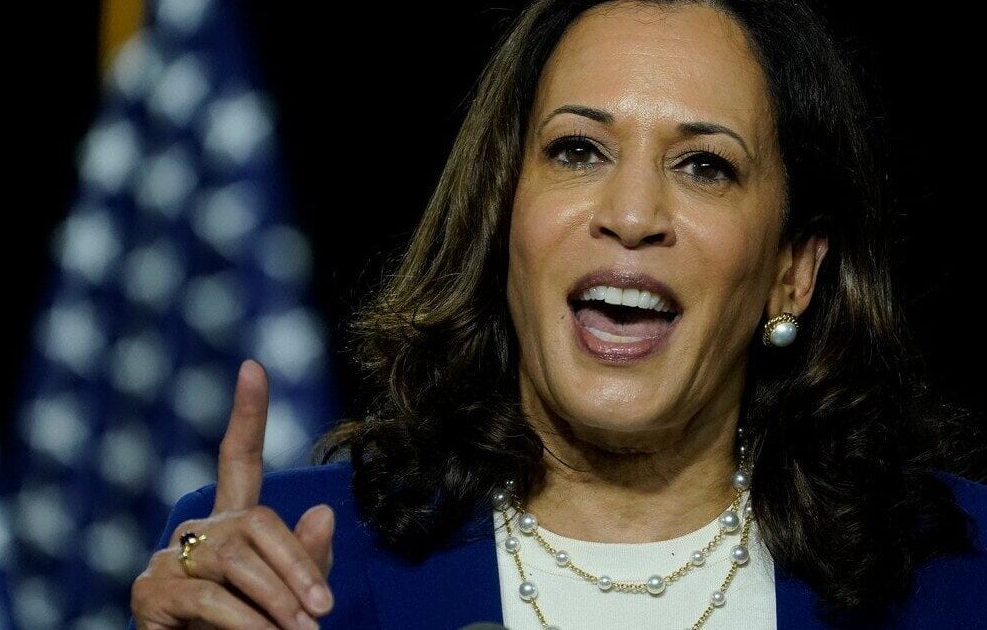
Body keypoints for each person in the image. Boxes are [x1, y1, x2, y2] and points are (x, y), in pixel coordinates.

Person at [130, 0, 987, 628]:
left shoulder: (962, 573)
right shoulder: (278, 567)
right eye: (578, 150)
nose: (632, 214)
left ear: (793, 273)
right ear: (505, 219)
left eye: (704, 166)